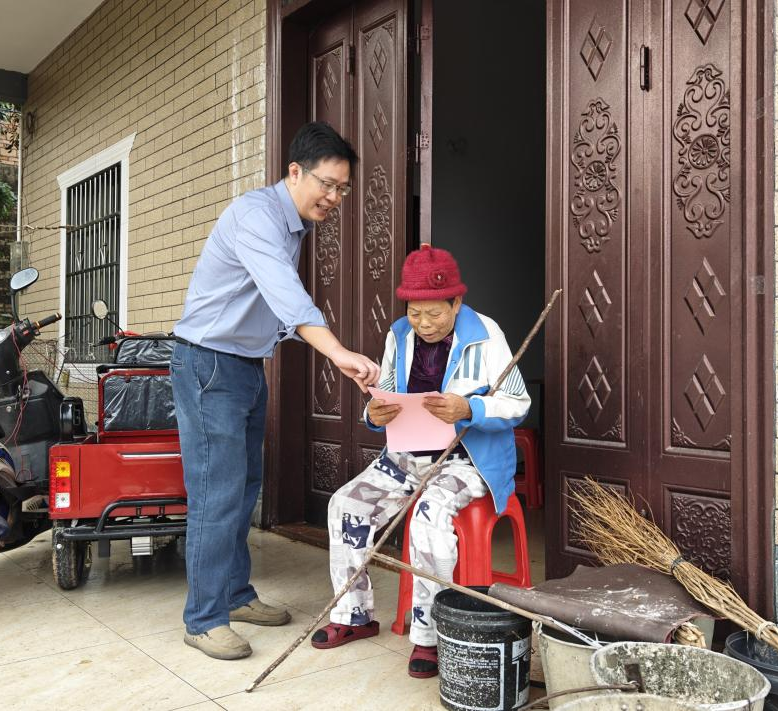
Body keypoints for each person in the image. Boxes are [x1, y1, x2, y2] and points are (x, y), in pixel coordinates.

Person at [171, 122, 381, 661]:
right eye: (327, 184)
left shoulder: (294, 225)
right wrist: (338, 353)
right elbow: (288, 297)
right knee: (216, 492)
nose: (334, 198)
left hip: (243, 365)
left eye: (343, 189)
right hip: (209, 364)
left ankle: (235, 595)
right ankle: (203, 618)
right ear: (294, 172)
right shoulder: (257, 217)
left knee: (243, 488)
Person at [310, 245, 531, 678]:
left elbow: (518, 403)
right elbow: (388, 394)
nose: (424, 324)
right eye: (415, 313)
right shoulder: (398, 335)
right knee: (346, 505)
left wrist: (469, 409)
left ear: (456, 302)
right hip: (407, 455)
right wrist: (373, 414)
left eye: (434, 313)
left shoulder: (487, 334)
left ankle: (429, 636)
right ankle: (354, 615)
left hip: (467, 461)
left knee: (429, 517)